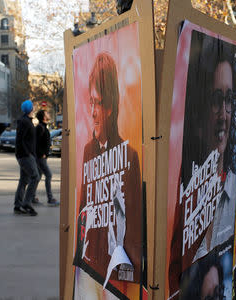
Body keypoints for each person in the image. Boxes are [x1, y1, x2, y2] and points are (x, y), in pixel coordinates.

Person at [169, 30, 236, 298]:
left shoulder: (233, 184)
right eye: (215, 100)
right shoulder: (180, 190)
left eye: (228, 99)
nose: (223, 114)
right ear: (200, 109)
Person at [73, 52, 142, 297]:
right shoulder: (88, 151)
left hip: (116, 274)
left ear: (110, 107)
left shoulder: (129, 156)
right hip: (88, 268)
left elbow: (134, 225)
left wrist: (132, 272)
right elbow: (83, 209)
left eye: (98, 103)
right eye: (90, 102)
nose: (92, 112)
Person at [14, 100, 40, 216]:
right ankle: (27, 203)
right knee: (35, 177)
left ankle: (18, 205)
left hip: (26, 155)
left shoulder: (27, 121)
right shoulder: (24, 122)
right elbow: (20, 140)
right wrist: (28, 153)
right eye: (32, 106)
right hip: (25, 156)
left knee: (24, 180)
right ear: (30, 109)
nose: (34, 107)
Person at [34, 110, 59, 206]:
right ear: (44, 117)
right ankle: (50, 198)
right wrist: (42, 154)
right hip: (40, 157)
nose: (49, 114)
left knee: (37, 177)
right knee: (48, 175)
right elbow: (36, 143)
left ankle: (32, 197)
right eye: (47, 113)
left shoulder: (43, 127)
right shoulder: (40, 127)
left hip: (42, 157)